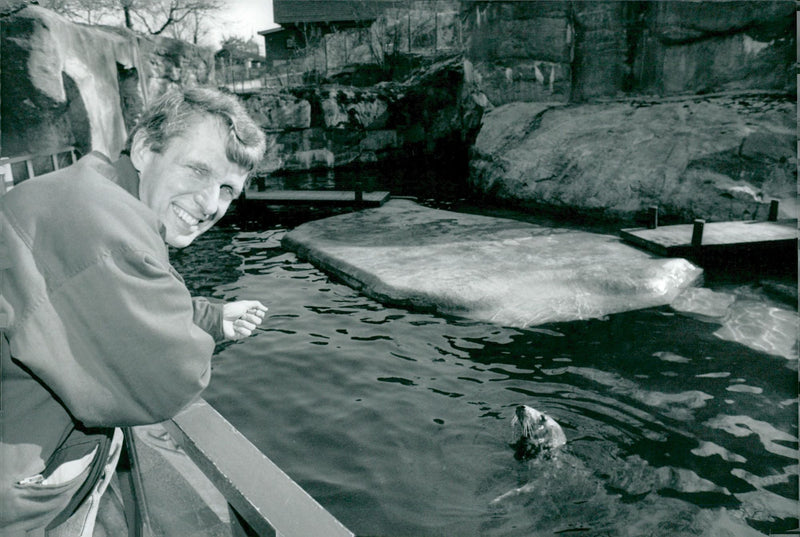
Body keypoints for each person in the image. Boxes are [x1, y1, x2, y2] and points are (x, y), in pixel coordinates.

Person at [0, 86, 268, 536]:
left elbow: (101, 301)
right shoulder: (107, 230)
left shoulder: (90, 190)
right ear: (145, 148)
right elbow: (170, 376)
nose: (209, 204)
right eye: (198, 170)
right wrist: (196, 336)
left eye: (227, 189)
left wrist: (210, 317)